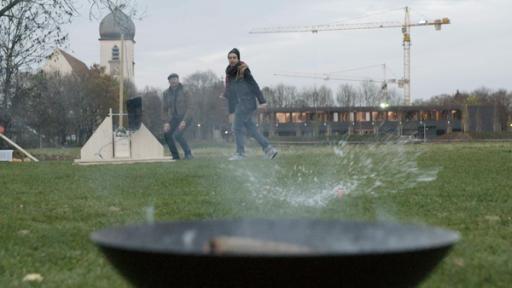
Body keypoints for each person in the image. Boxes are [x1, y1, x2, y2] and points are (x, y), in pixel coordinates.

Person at [222, 48, 278, 160]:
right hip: (239, 103)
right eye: (230, 58)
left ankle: (240, 153)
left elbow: (254, 85)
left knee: (236, 127)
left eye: (234, 57)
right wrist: (228, 104)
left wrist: (262, 101)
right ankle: (269, 149)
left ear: (238, 58)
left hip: (247, 103)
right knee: (251, 128)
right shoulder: (229, 73)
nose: (232, 60)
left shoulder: (243, 70)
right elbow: (230, 93)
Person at [162, 73, 193, 160]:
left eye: (175, 79)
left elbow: (190, 107)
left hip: (186, 117)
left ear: (178, 80)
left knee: (178, 135)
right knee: (167, 134)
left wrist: (184, 121)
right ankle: (175, 156)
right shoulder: (166, 93)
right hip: (174, 118)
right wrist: (166, 122)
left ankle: (188, 154)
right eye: (171, 80)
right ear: (169, 82)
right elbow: (164, 110)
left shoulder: (185, 91)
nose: (173, 81)